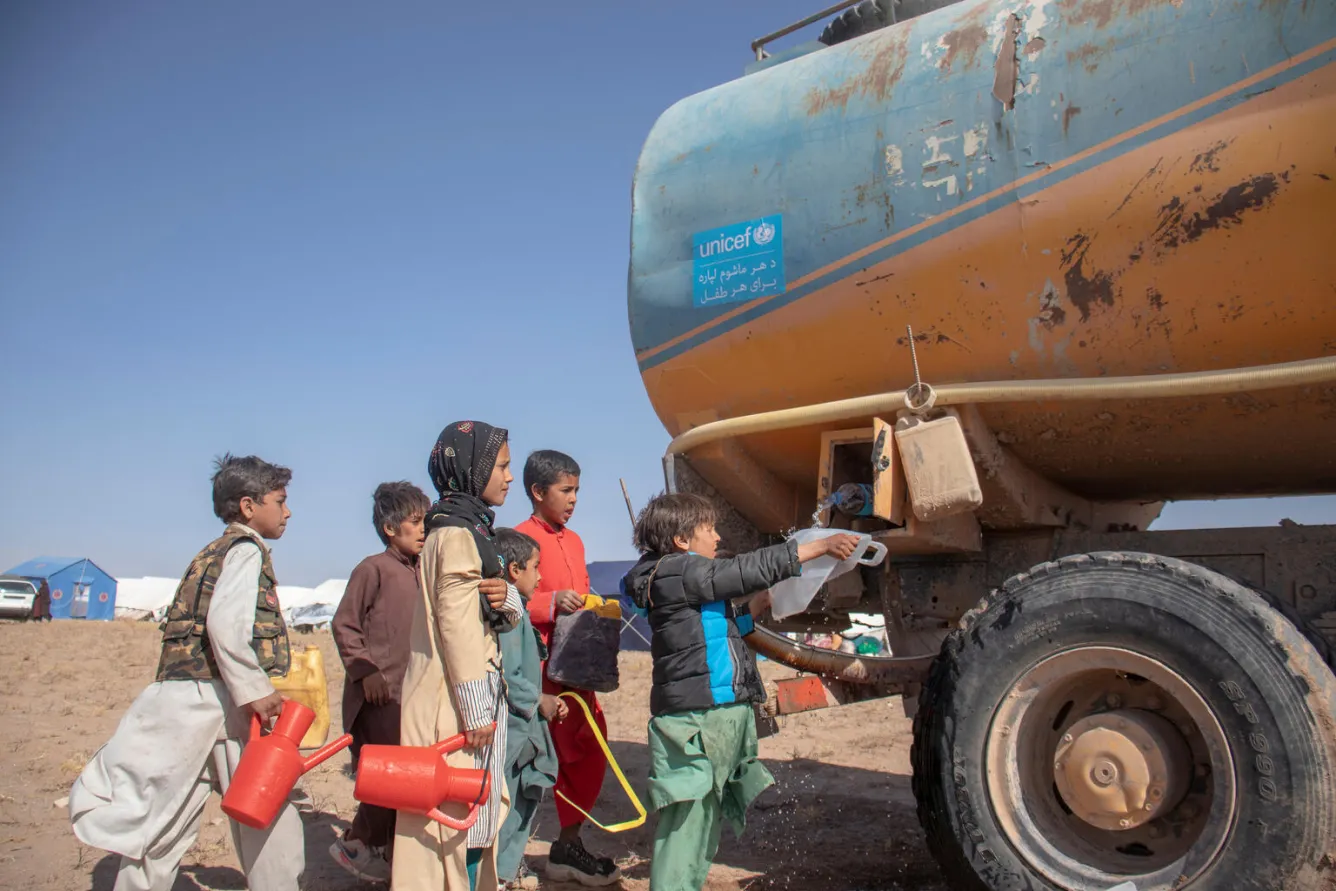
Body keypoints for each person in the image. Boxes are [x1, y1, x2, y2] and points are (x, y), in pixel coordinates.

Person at [69, 454, 302, 891]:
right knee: (267, 811)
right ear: (249, 506)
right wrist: (256, 691)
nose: (288, 511)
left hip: (186, 706)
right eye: (280, 501)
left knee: (165, 821)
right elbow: (225, 627)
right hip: (222, 704)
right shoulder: (246, 550)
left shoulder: (209, 552)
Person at [621, 493, 860, 891]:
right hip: (696, 718)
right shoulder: (676, 572)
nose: (716, 537)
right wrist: (819, 546)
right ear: (681, 540)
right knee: (686, 822)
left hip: (710, 713)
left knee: (701, 821)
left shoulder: (683, 582)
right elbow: (745, 570)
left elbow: (717, 631)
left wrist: (761, 602)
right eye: (708, 528)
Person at [394, 421, 525, 891]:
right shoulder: (456, 534)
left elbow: (490, 613)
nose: (509, 477)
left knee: (471, 822)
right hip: (453, 710)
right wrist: (474, 713)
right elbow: (457, 630)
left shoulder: (468, 530)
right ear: (472, 468)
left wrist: (507, 597)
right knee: (455, 825)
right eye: (503, 466)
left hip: (464, 702)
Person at [514, 450, 619, 886]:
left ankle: (567, 846)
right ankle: (508, 857)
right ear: (538, 493)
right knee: (526, 760)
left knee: (586, 752)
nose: (574, 499)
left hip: (577, 669)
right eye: (566, 490)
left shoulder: (574, 541)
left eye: (577, 490)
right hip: (534, 670)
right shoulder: (516, 538)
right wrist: (548, 603)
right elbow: (503, 600)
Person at [330, 481, 435, 883]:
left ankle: (392, 861)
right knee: (385, 781)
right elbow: (345, 625)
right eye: (415, 522)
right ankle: (355, 844)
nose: (423, 530)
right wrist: (365, 671)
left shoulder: (422, 571)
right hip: (378, 698)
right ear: (391, 529)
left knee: (405, 782)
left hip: (411, 698)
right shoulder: (372, 568)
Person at [493, 528, 565, 890]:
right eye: (536, 567)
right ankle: (498, 875)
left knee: (522, 800)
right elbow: (504, 673)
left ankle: (506, 871)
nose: (540, 576)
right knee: (504, 805)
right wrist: (539, 701)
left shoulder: (517, 610)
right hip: (511, 733)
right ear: (514, 570)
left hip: (525, 729)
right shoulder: (507, 615)